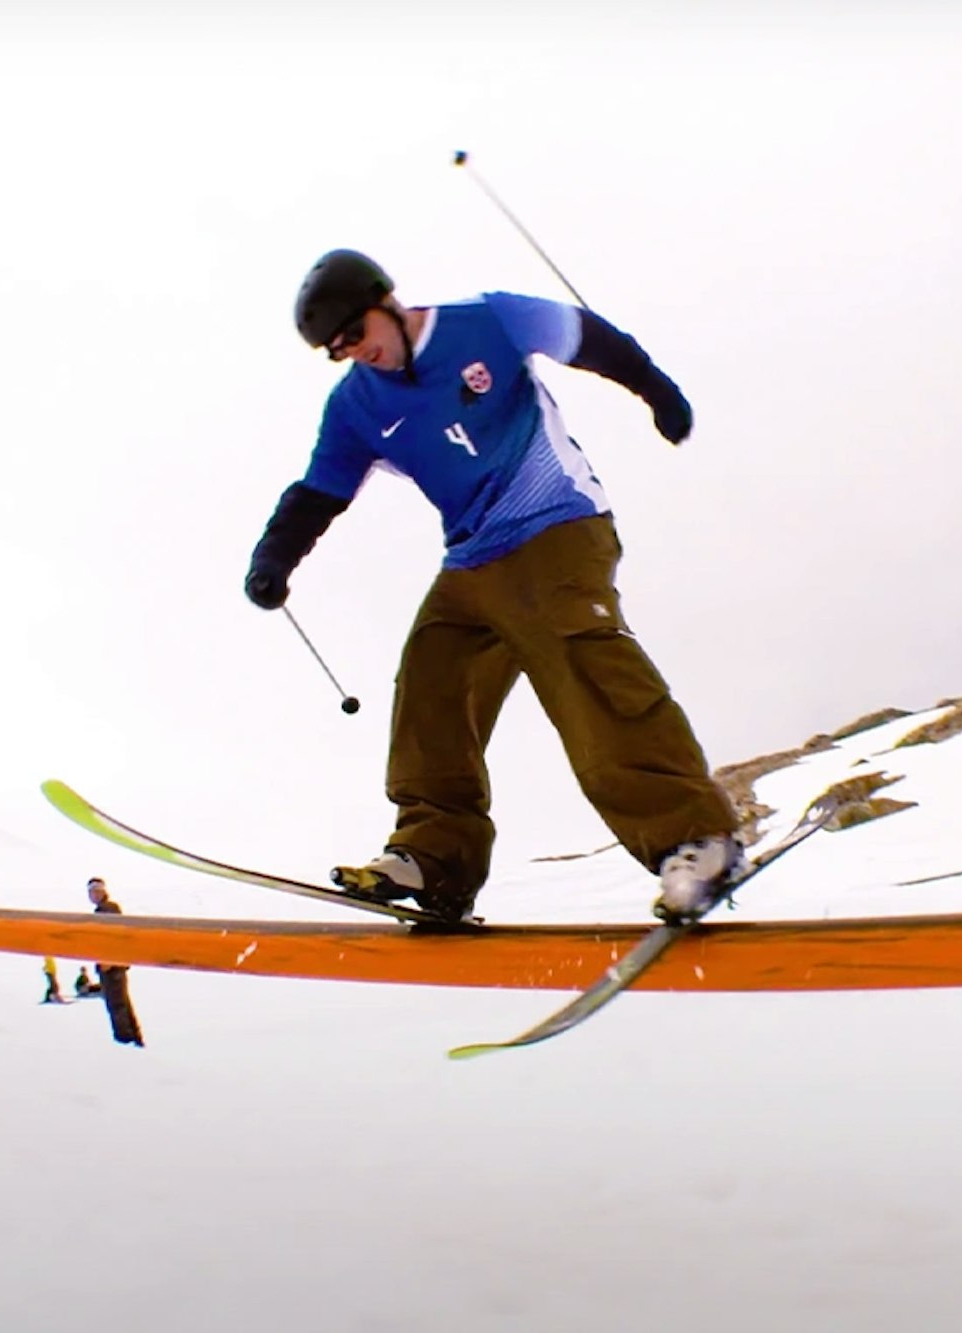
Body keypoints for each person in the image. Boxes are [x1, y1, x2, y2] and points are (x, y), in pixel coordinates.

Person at [244, 249, 741, 926]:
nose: (358, 354)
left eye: (357, 335)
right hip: (473, 558)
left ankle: (695, 840)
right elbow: (317, 492)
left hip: (558, 522)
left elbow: (594, 340)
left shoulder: (490, 321)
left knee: (577, 658)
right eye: (339, 351)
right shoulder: (356, 405)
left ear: (384, 300)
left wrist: (658, 393)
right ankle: (436, 857)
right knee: (431, 678)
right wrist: (276, 556)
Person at [85, 878, 144, 1046]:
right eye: (91, 892)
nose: (93, 895)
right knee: (121, 1001)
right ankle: (133, 1038)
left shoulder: (107, 910)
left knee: (116, 1003)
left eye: (96, 891)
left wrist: (107, 958)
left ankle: (125, 1039)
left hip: (112, 965)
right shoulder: (105, 909)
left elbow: (111, 937)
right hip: (114, 963)